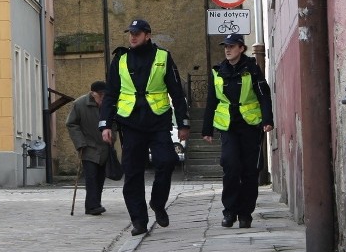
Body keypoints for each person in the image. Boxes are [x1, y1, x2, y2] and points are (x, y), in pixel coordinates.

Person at [99, 19, 190, 236]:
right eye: (130, 33)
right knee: (132, 173)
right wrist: (105, 124)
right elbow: (110, 94)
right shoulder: (120, 59)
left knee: (167, 161)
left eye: (137, 33)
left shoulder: (163, 57)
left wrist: (183, 122)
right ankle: (139, 221)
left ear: (147, 35)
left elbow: (176, 92)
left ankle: (158, 204)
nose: (132, 37)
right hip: (130, 123)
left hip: (158, 121)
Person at [202, 33, 274, 229]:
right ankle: (229, 211)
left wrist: (267, 119)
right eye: (226, 46)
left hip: (250, 125)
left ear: (241, 48)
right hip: (228, 127)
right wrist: (206, 128)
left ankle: (245, 214)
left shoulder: (252, 69)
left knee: (250, 171)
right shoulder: (218, 71)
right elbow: (212, 101)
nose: (227, 49)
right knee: (231, 166)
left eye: (232, 46)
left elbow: (263, 95)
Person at [66, 81, 110, 215]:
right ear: (93, 93)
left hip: (103, 147)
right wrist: (80, 143)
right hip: (87, 146)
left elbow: (113, 122)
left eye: (105, 94)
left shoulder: (108, 104)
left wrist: (111, 135)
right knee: (91, 176)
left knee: (100, 177)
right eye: (100, 94)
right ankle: (92, 206)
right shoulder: (80, 104)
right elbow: (71, 124)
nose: (103, 97)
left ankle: (96, 203)